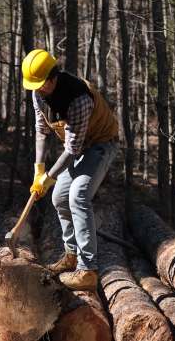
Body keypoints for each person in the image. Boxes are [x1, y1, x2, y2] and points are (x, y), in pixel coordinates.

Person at [23, 49, 119, 291]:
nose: (37, 89)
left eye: (41, 84)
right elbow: (42, 131)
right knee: (59, 197)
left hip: (100, 144)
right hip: (78, 147)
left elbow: (72, 149)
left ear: (53, 78)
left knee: (78, 196)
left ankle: (88, 270)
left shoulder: (78, 99)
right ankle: (71, 255)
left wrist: (49, 177)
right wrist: (39, 169)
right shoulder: (38, 93)